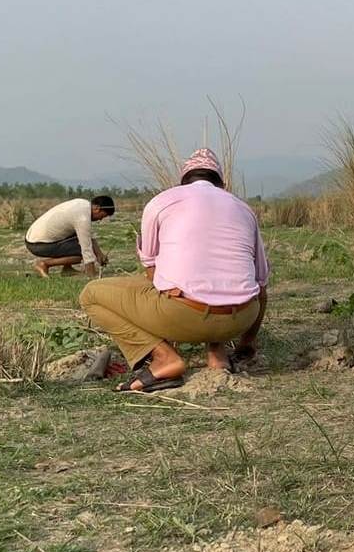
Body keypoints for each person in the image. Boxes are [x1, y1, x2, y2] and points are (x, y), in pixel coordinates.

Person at [79, 149, 269, 393]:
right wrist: (248, 343)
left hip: (182, 316)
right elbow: (261, 287)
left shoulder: (162, 201)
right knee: (217, 279)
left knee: (90, 294)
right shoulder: (244, 209)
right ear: (223, 183)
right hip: (241, 318)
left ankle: (163, 357)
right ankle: (218, 354)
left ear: (182, 182)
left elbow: (152, 275)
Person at [25, 195, 115, 277]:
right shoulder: (82, 218)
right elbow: (87, 250)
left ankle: (67, 269)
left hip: (32, 237)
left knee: (80, 238)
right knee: (82, 251)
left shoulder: (83, 204)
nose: (100, 219)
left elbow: (88, 236)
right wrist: (92, 275)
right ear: (97, 208)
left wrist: (99, 254)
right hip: (38, 244)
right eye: (102, 216)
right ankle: (43, 264)